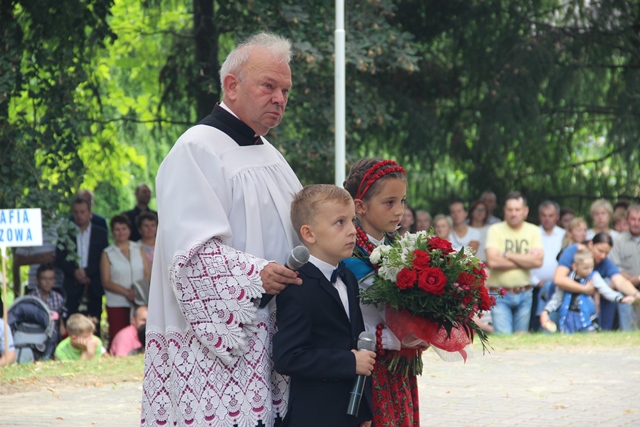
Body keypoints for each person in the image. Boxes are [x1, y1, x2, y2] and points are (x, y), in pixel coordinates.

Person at [142, 33, 302, 427]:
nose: (279, 99)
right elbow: (190, 254)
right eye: (269, 86)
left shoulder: (267, 151)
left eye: (285, 90)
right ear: (232, 85)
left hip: (277, 330)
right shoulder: (196, 149)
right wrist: (256, 274)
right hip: (224, 344)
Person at [273, 185, 374, 427]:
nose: (353, 230)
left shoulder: (347, 277)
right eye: (340, 222)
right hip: (316, 414)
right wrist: (349, 362)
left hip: (351, 412)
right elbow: (288, 357)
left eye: (353, 221)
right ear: (309, 234)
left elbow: (358, 342)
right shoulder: (298, 285)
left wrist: (364, 410)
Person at [343, 158, 420, 427]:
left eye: (402, 201)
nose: (399, 211)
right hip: (368, 365)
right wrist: (402, 337)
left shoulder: (401, 247)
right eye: (389, 202)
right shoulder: (348, 253)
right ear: (360, 206)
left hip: (399, 365)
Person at [553, 232, 640, 331]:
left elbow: (620, 281)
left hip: (586, 307)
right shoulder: (573, 251)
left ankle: (605, 330)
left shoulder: (604, 263)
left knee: (607, 296)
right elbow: (558, 279)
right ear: (591, 244)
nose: (603, 256)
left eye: (606, 253)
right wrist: (584, 289)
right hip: (561, 301)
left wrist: (637, 295)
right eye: (600, 251)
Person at [485, 191, 544, 334]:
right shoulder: (495, 230)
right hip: (499, 293)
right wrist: (525, 259)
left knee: (520, 339)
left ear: (525, 211)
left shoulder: (534, 230)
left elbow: (538, 261)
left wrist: (508, 255)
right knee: (503, 338)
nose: (513, 213)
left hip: (525, 292)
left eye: (517, 209)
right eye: (510, 210)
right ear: (504, 211)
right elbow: (492, 262)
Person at [541, 249, 636, 333]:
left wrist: (621, 299)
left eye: (591, 267)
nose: (589, 270)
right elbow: (557, 299)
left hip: (587, 320)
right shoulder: (567, 280)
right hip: (568, 319)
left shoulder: (594, 277)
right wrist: (547, 310)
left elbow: (607, 291)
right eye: (585, 268)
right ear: (575, 266)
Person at [55, 197, 109, 326]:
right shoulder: (65, 233)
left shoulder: (100, 233)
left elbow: (103, 258)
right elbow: (59, 258)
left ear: (90, 213)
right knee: (71, 322)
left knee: (93, 323)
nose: (79, 215)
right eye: (76, 212)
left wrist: (87, 272)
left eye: (82, 212)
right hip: (71, 284)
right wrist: (75, 272)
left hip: (93, 284)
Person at [101, 215, 150, 351]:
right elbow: (106, 281)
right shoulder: (107, 253)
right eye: (117, 229)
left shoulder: (138, 248)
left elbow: (147, 273)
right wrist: (127, 292)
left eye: (124, 228)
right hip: (117, 301)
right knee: (117, 333)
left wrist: (138, 291)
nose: (121, 232)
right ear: (112, 232)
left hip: (139, 299)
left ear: (129, 230)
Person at [529, 201, 565, 332]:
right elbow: (526, 260)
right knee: (534, 322)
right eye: (544, 215)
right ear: (539, 216)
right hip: (534, 286)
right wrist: (536, 281)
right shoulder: (532, 234)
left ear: (557, 217)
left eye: (551, 215)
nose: (547, 219)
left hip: (558, 286)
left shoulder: (564, 235)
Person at [609, 204, 640, 330]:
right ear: (627, 220)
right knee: (629, 328)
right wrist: (633, 280)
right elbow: (615, 268)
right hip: (625, 290)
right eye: (633, 219)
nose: (636, 223)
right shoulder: (617, 241)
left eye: (639, 220)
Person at [29, 263, 66, 346]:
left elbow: (61, 320)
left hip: (54, 334)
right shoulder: (31, 298)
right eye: (44, 278)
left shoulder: (58, 297)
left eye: (51, 279)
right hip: (36, 332)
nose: (48, 282)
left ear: (54, 281)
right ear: (37, 280)